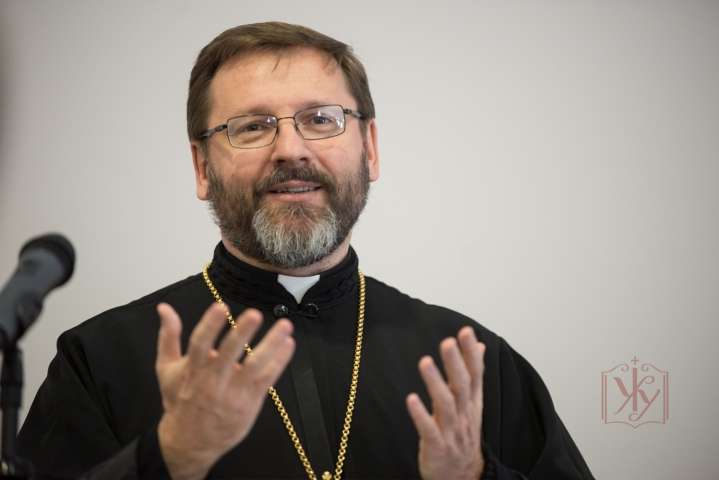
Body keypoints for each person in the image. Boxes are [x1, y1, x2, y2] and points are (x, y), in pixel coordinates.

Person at [17, 22, 594, 480]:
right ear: (202, 166)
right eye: (252, 127)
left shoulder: (470, 364)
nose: (291, 150)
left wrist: (477, 477)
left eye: (321, 119)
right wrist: (166, 460)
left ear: (370, 148)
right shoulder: (100, 361)